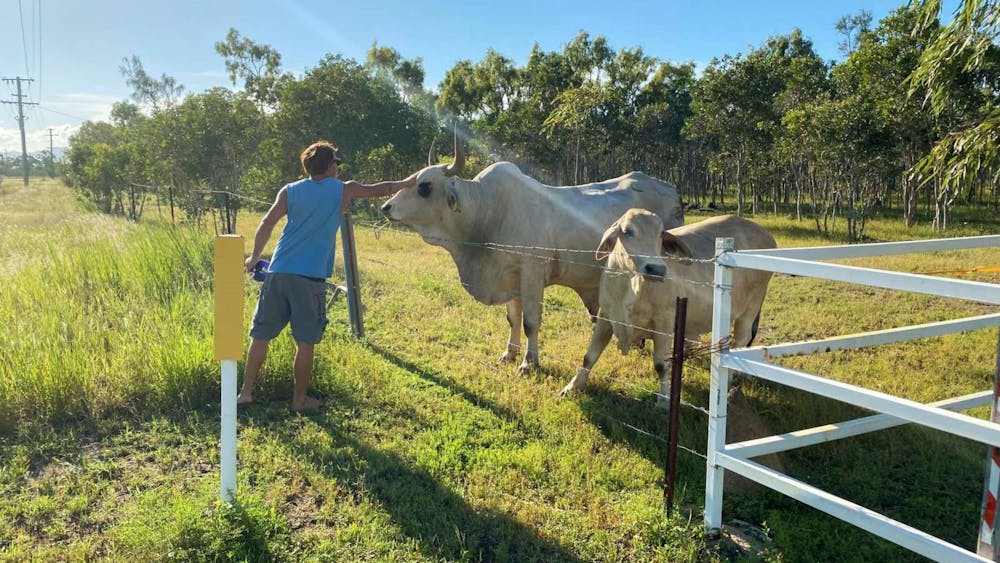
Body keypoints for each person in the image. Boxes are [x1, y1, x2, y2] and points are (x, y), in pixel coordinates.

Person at [237, 141, 417, 411]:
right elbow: (385, 189)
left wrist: (253, 258)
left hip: (278, 270)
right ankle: (299, 399)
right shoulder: (345, 190)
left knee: (260, 335)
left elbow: (267, 222)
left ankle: (245, 392)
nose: (339, 167)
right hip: (309, 278)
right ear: (331, 166)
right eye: (337, 162)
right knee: (305, 341)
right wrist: (411, 180)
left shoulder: (290, 191)